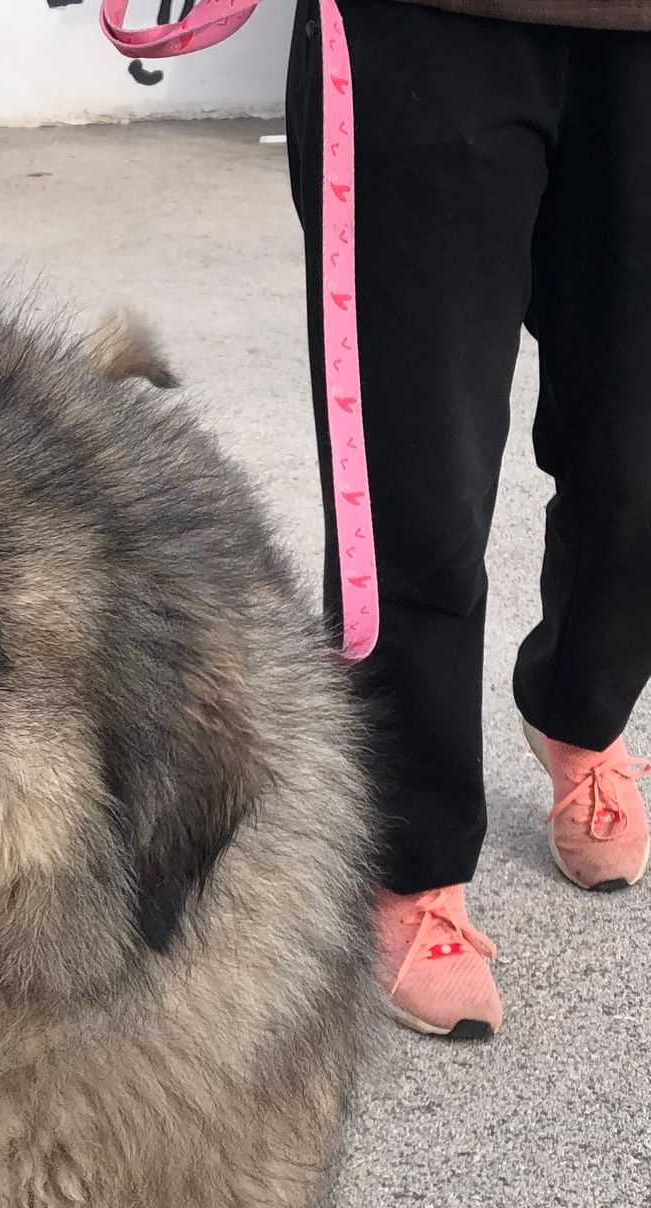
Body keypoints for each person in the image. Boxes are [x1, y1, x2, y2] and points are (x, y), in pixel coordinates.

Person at [287, 0, 651, 1039]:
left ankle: (581, 709)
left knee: (637, 453)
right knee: (419, 479)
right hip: (429, 27)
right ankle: (411, 857)